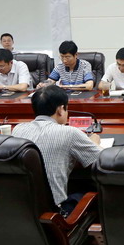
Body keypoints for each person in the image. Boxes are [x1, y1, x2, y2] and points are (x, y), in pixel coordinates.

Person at [12, 85, 102, 216]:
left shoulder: (18, 129)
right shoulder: (70, 132)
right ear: (60, 109)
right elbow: (103, 160)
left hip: (23, 210)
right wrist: (94, 142)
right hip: (55, 214)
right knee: (91, 189)